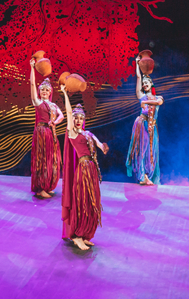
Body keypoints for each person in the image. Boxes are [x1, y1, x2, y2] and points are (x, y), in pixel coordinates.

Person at [60, 84, 109, 251]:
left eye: (81, 118)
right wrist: (65, 94)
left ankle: (86, 233)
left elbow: (99, 144)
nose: (78, 120)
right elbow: (68, 113)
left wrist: (103, 147)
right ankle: (76, 236)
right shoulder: (72, 133)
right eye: (76, 118)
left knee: (90, 202)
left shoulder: (88, 133)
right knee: (81, 202)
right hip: (83, 170)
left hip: (92, 170)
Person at [126, 55, 163, 185]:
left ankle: (149, 175)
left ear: (151, 83)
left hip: (153, 126)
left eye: (146, 82)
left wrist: (146, 102)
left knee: (152, 152)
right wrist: (137, 64)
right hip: (142, 124)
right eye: (143, 83)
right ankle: (142, 176)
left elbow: (159, 102)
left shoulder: (158, 97)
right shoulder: (141, 95)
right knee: (142, 149)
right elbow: (138, 77)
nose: (144, 84)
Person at [29, 60, 64, 198]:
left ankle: (48, 185)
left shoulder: (53, 105)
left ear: (50, 92)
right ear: (39, 92)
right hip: (42, 133)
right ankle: (40, 187)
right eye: (42, 89)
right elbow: (32, 84)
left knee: (51, 159)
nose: (44, 91)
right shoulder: (38, 102)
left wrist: (55, 122)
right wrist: (32, 68)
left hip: (51, 134)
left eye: (46, 90)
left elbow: (61, 116)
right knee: (42, 159)